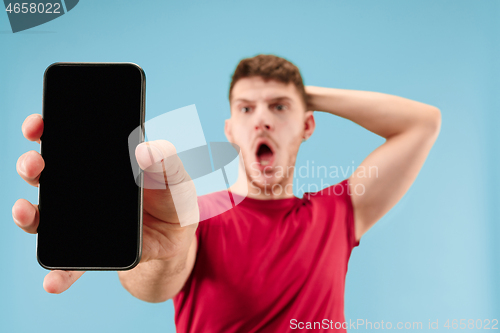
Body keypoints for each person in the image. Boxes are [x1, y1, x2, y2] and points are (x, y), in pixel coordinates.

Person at [13, 54, 441, 332]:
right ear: (229, 130)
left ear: (307, 125)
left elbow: (422, 123)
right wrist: (159, 250)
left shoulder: (337, 213)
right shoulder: (189, 216)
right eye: (246, 108)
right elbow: (158, 281)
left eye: (278, 108)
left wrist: (304, 93)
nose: (261, 121)